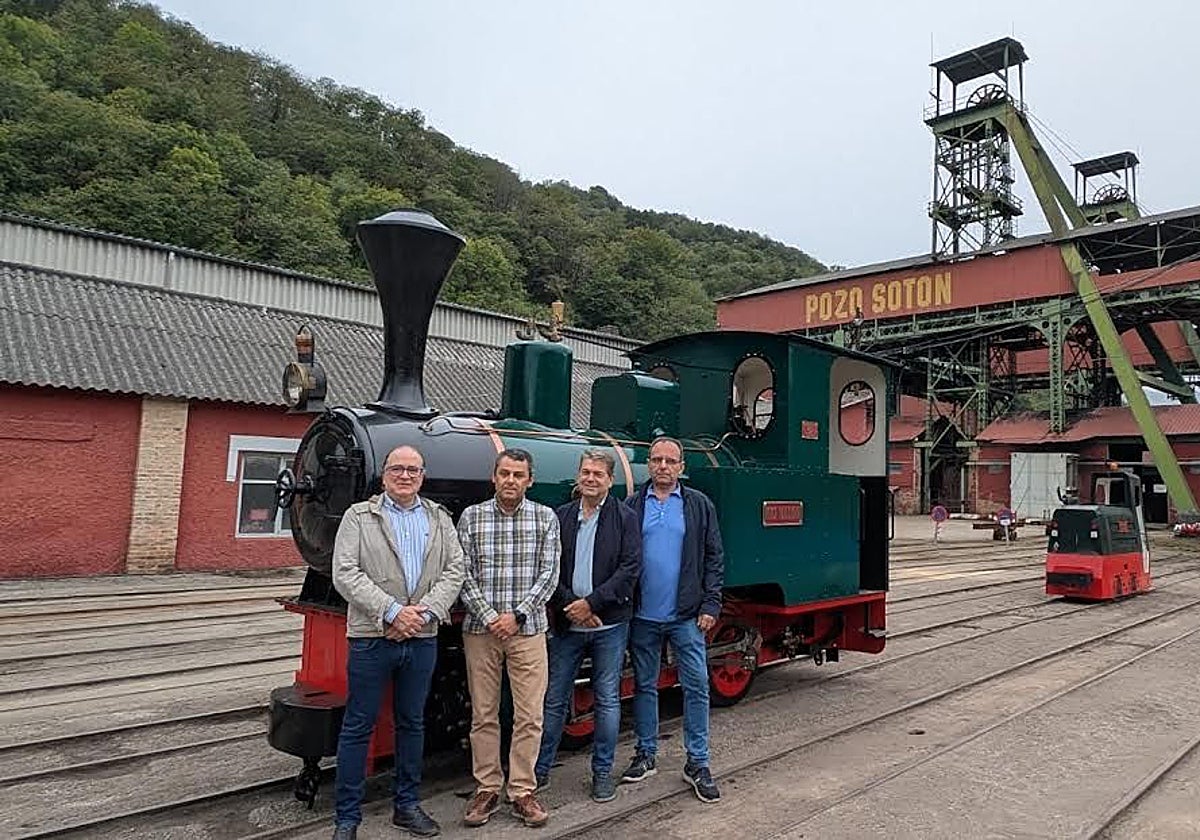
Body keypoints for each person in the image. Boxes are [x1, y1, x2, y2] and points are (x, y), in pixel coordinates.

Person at [330, 445, 466, 840]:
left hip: (422, 636)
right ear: (383, 474)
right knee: (358, 725)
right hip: (372, 636)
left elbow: (454, 570)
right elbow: (345, 572)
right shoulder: (359, 517)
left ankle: (406, 806)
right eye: (397, 469)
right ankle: (347, 819)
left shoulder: (439, 518)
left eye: (412, 470)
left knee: (413, 722)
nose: (404, 475)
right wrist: (391, 612)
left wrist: (420, 614)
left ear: (422, 476)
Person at [457, 449, 560, 828]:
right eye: (504, 473)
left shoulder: (545, 518)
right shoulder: (472, 517)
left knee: (529, 715)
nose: (511, 480)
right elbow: (462, 574)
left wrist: (516, 616)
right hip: (480, 632)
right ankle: (487, 787)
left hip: (528, 630)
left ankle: (522, 790)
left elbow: (548, 576)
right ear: (494, 477)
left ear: (529, 480)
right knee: (483, 713)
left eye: (518, 474)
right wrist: (489, 617)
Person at [620, 436, 725, 803]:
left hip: (686, 616)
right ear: (648, 464)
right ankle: (645, 754)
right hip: (643, 616)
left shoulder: (699, 505)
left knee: (696, 687)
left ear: (682, 467)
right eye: (657, 460)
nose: (663, 466)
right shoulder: (631, 505)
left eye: (671, 461)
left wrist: (711, 605)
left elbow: (714, 557)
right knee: (644, 686)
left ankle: (697, 762)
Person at [535, 449, 642, 803]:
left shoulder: (625, 518)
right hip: (568, 623)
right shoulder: (561, 516)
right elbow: (549, 568)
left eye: (598, 473)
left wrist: (592, 604)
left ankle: (601, 774)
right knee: (553, 700)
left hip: (609, 624)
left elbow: (629, 569)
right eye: (586, 472)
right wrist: (572, 606)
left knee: (608, 700)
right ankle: (539, 772)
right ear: (578, 477)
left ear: (610, 480)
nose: (591, 478)